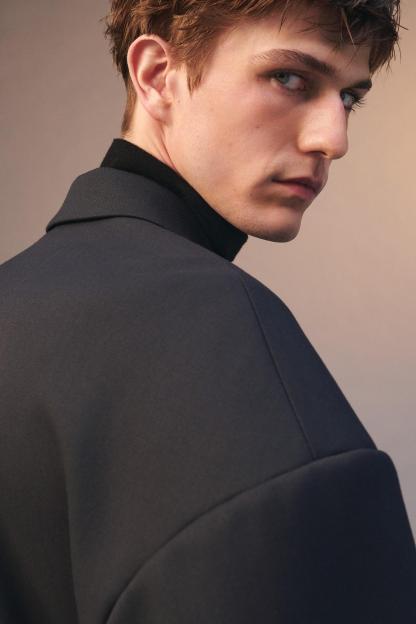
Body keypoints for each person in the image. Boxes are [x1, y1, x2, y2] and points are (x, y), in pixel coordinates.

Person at [1, 1, 415, 622]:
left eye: (349, 98)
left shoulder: (15, 297)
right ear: (156, 75)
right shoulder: (223, 334)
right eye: (290, 78)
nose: (334, 140)